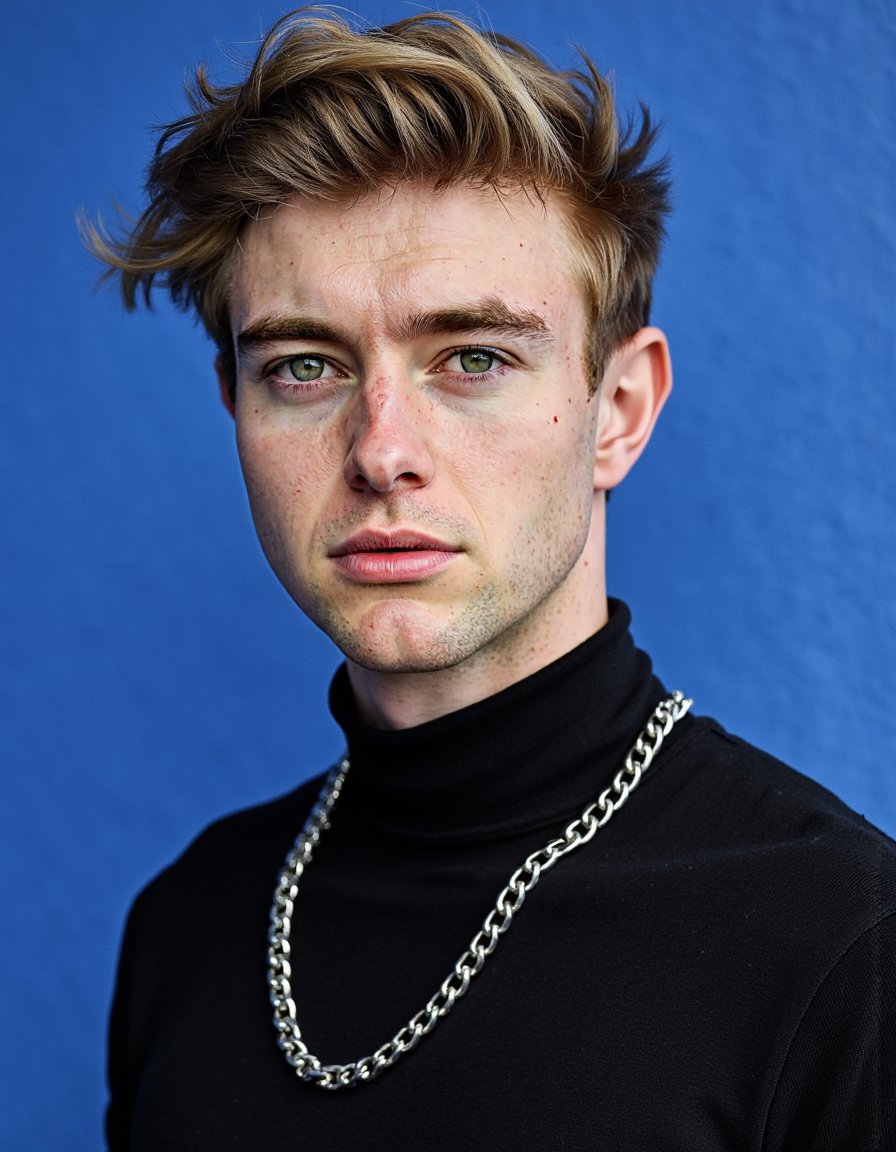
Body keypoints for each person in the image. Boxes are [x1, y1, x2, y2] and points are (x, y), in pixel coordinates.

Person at [88, 9, 895, 1149]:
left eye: (471, 358)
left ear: (616, 412)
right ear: (235, 407)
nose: (380, 451)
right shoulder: (190, 925)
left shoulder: (844, 948)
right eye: (304, 367)